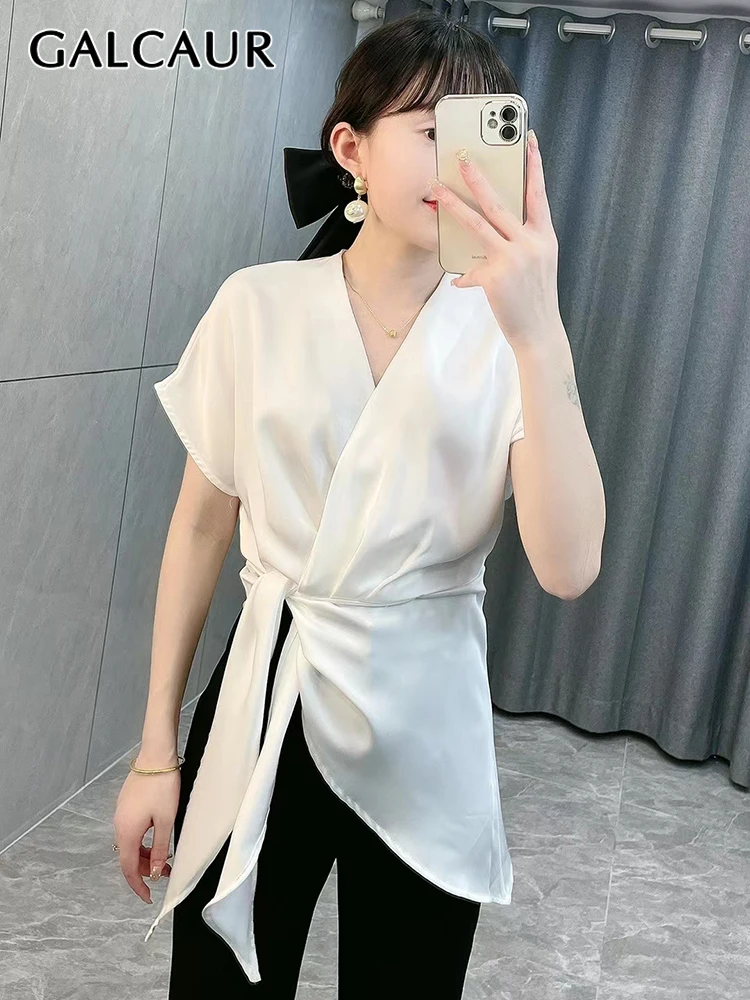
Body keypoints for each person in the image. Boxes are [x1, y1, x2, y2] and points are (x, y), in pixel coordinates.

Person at [113, 10, 526, 998]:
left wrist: (537, 317)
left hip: (427, 705)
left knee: (409, 978)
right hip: (269, 679)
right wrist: (156, 753)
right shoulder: (256, 306)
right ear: (351, 149)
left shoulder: (511, 331)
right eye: (431, 128)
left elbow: (565, 561)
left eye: (483, 133)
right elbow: (200, 525)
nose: (459, 161)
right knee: (219, 980)